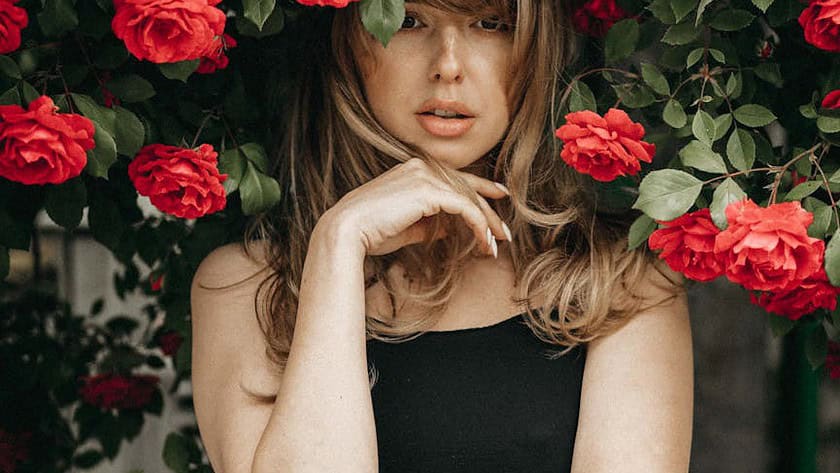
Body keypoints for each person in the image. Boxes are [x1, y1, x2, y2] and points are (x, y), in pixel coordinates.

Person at [190, 0, 694, 472]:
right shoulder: (248, 287)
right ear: (346, 44)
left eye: (491, 22)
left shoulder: (620, 277)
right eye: (409, 20)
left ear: (538, 47)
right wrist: (338, 244)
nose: (448, 65)